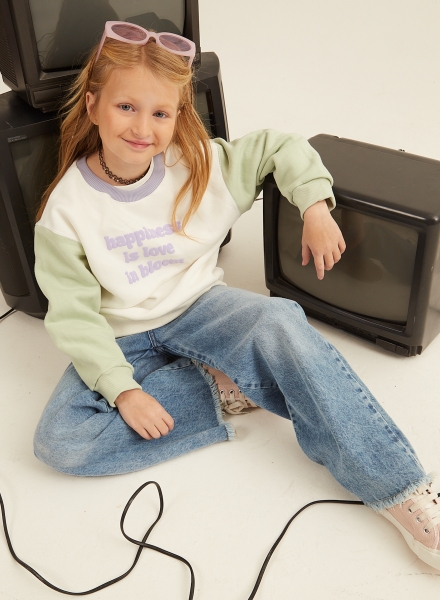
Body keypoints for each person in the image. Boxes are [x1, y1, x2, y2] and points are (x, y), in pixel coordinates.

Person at [33, 21, 440, 571]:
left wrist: (314, 205)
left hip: (202, 310)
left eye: (161, 113)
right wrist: (123, 390)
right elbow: (75, 316)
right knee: (59, 441)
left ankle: (403, 492)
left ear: (178, 116)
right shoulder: (65, 210)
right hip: (120, 336)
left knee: (280, 322)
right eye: (126, 107)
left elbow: (278, 146)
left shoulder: (197, 164)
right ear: (93, 105)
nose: (143, 128)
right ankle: (222, 385)